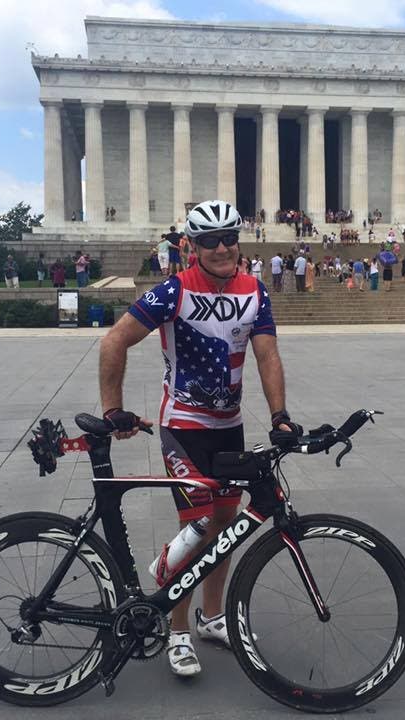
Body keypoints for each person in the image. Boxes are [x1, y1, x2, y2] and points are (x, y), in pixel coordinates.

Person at [98, 199, 300, 677]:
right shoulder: (174, 290)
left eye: (229, 237)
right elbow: (114, 340)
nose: (222, 248)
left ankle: (212, 619)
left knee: (226, 526)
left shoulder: (254, 291)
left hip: (228, 428)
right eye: (209, 241)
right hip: (183, 429)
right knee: (198, 528)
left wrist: (281, 416)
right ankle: (178, 631)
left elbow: (267, 356)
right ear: (191, 246)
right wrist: (112, 410)